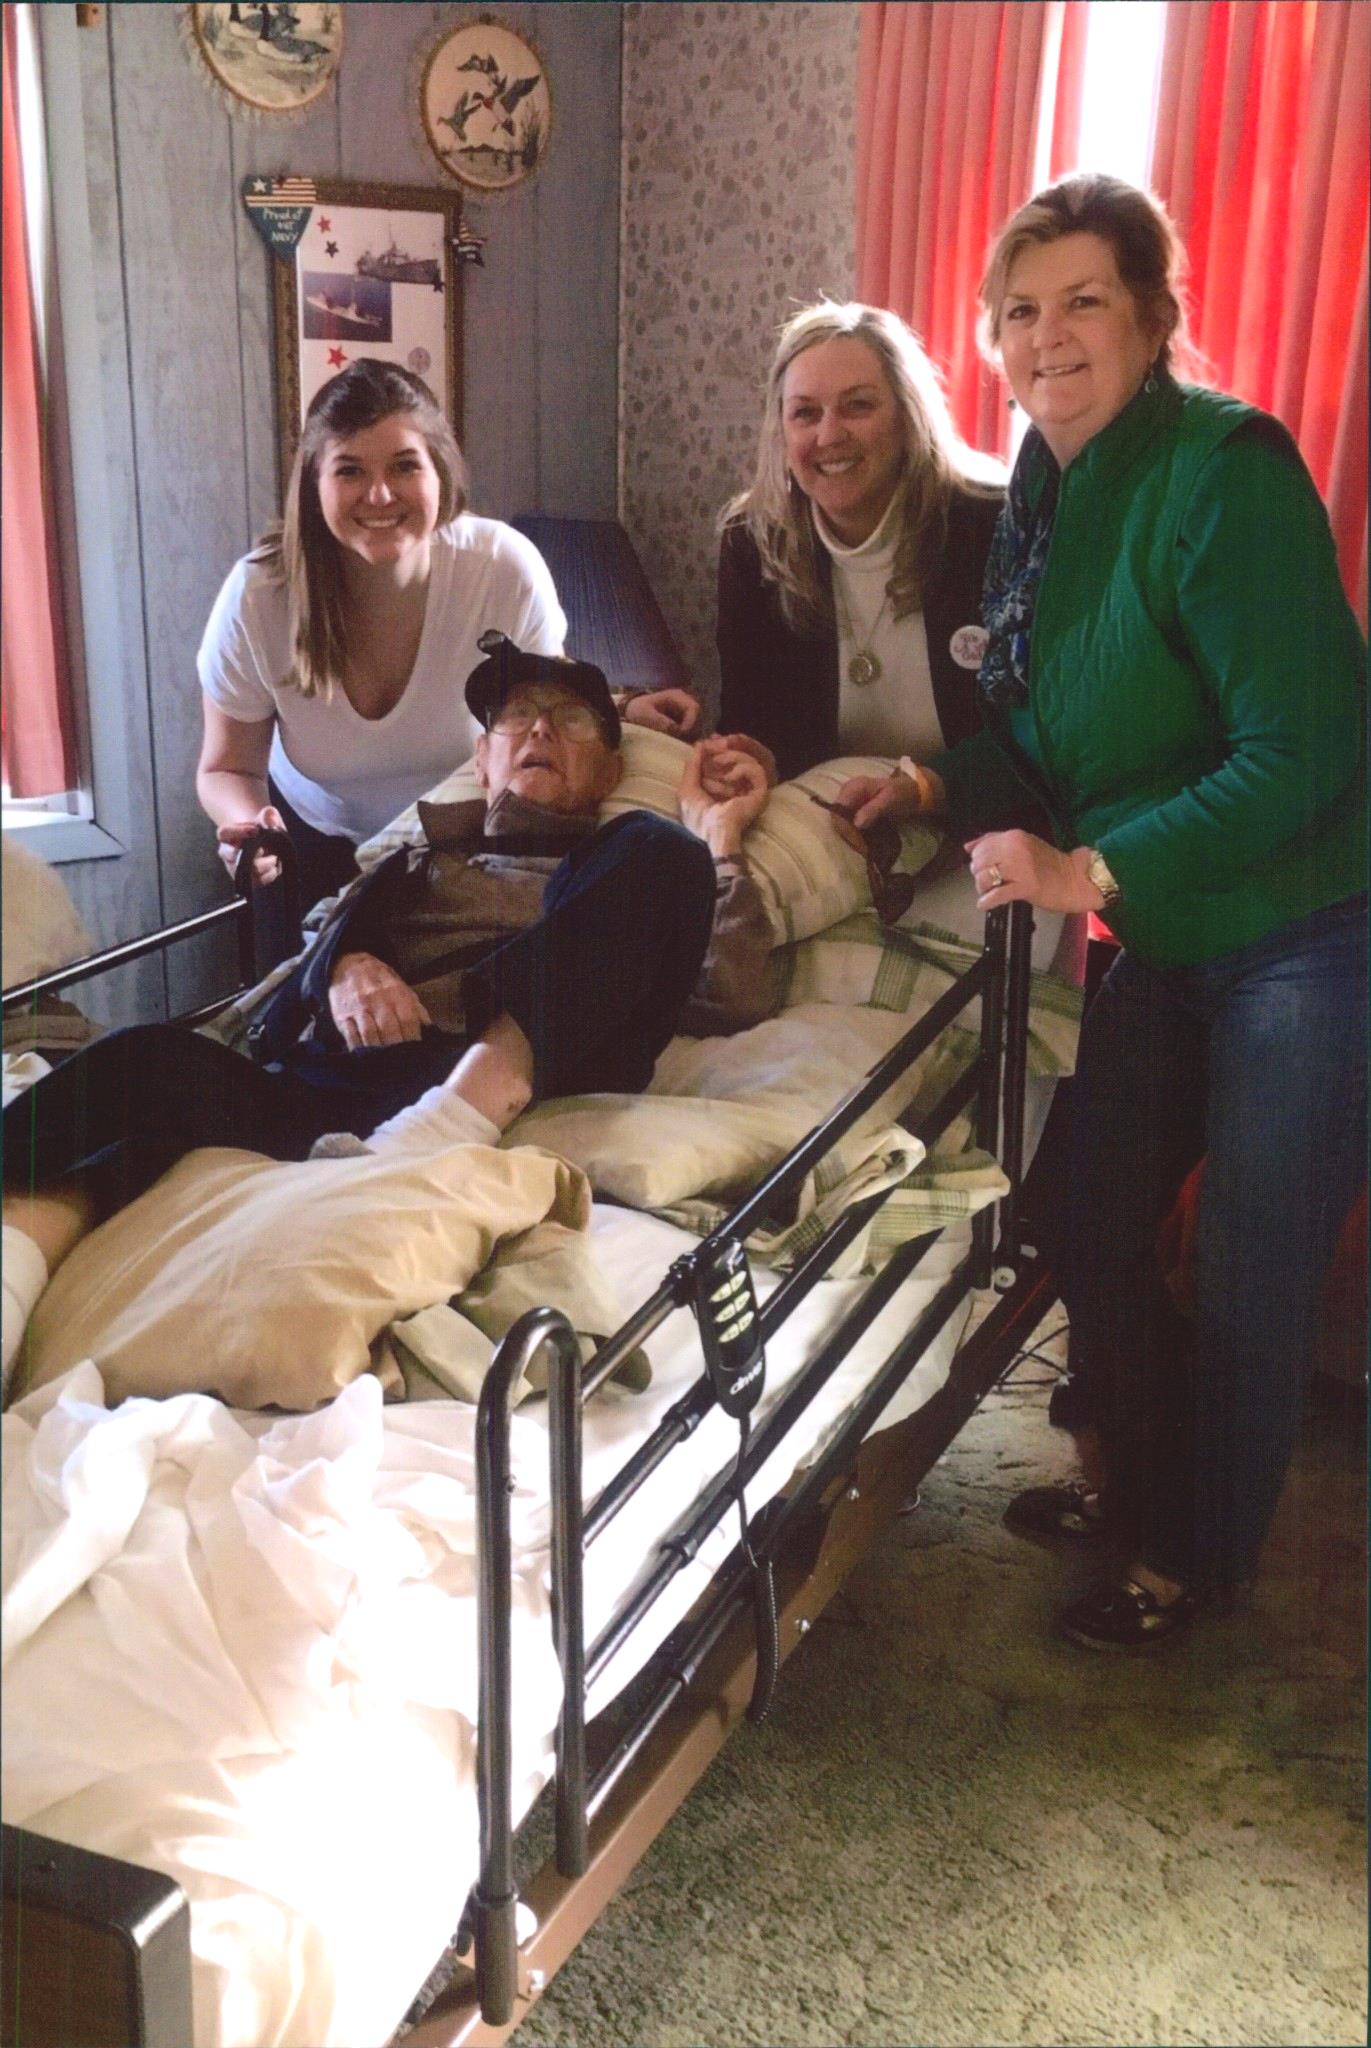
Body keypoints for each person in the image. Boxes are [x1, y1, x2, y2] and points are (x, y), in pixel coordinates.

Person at [839, 173, 1366, 1649]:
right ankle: (1132, 1475)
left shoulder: (1224, 469)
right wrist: (926, 784)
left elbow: (1308, 750)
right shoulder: (1045, 486)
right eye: (1019, 310)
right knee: (1077, 1202)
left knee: (1249, 1264)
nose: (1046, 336)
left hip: (1307, 930)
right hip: (1175, 930)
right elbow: (1046, 729)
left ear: (1150, 317)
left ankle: (1193, 1555)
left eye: (1082, 301)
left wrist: (1090, 876)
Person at [3, 640, 773, 1388]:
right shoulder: (407, 863)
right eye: (517, 716)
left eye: (571, 720)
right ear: (482, 762)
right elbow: (294, 977)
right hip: (330, 1097)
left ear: (609, 770)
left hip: (501, 1073)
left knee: (658, 841)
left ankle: (449, 1122)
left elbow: (733, 993)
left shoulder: (621, 867)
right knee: (144, 1058)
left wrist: (717, 839)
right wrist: (344, 965)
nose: (540, 729)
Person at [196, 358, 699, 911]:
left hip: (457, 839)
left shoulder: (501, 568)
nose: (380, 495)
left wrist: (625, 708)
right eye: (350, 471)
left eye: (404, 466)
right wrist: (251, 829)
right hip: (308, 843)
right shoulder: (259, 596)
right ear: (314, 484)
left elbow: (545, 702)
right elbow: (227, 766)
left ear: (441, 473)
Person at [713, 301, 1005, 789]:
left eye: (858, 406)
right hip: (825, 811)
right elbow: (750, 724)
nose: (829, 435)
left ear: (907, 417)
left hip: (976, 814)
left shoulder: (993, 523)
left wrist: (926, 792)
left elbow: (1031, 738)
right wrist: (753, 762)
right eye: (805, 413)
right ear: (781, 432)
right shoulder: (753, 543)